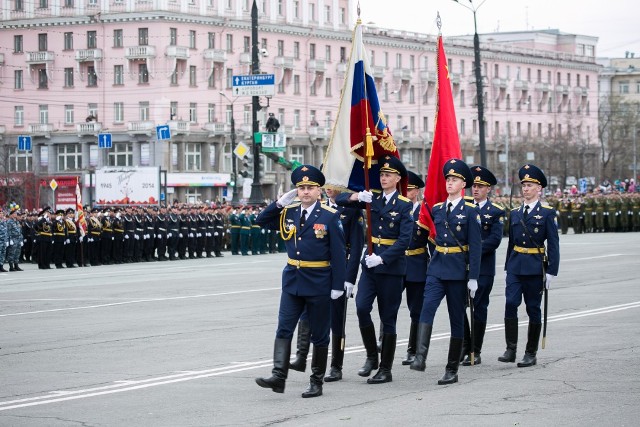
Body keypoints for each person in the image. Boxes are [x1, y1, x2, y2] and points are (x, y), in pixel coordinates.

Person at [254, 165, 346, 398]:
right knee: (284, 328)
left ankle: (316, 381)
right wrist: (279, 204)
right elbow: (260, 221)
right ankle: (278, 376)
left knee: (319, 335)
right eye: (301, 188)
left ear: (319, 191)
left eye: (310, 188)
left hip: (319, 282)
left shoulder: (329, 215)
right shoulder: (289, 213)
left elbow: (338, 254)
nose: (305, 192)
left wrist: (337, 286)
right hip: (293, 281)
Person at [336, 155, 413, 384]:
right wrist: (357, 196)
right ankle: (371, 355)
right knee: (361, 308)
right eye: (381, 174)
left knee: (387, 318)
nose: (383, 178)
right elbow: (340, 199)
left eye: (388, 175)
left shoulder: (404, 205)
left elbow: (404, 241)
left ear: (397, 178)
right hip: (369, 267)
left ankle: (385, 369)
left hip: (390, 268)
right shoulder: (372, 198)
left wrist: (382, 259)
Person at [410, 158, 482, 385]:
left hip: (458, 271)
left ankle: (452, 369)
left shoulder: (470, 211)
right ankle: (420, 356)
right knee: (427, 308)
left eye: (455, 180)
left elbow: (476, 246)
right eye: (448, 179)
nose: (449, 183)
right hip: (437, 267)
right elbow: (432, 238)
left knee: (456, 318)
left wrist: (473, 277)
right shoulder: (438, 208)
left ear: (463, 185)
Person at [288, 186, 365, 382]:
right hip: (316, 273)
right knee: (306, 314)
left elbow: (355, 247)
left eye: (334, 184)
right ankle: (301, 355)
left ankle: (336, 365)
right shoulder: (317, 208)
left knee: (336, 321)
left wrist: (349, 278)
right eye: (326, 185)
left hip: (338, 272)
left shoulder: (351, 210)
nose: (330, 189)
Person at [499, 164, 560, 368]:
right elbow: (511, 242)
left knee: (533, 308)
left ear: (539, 188)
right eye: (523, 185)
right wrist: (508, 264)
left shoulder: (547, 213)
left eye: (530, 185)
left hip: (535, 267)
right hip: (516, 265)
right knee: (510, 303)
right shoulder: (515, 213)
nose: (525, 189)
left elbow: (553, 243)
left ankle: (530, 352)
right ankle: (510, 348)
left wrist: (551, 271)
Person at [460, 166, 505, 366]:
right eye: (474, 186)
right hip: (461, 266)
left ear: (489, 189)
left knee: (479, 308)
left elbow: (494, 240)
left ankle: (475, 350)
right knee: (459, 306)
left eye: (480, 186)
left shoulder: (495, 212)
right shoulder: (463, 208)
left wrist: (472, 252)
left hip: (483, 269)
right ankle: (465, 346)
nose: (475, 189)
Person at [401, 171, 431, 366]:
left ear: (416, 191)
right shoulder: (399, 209)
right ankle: (383, 343)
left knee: (416, 310)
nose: (405, 192)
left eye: (409, 189)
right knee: (389, 307)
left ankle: (413, 349)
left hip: (417, 263)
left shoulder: (424, 211)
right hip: (397, 264)